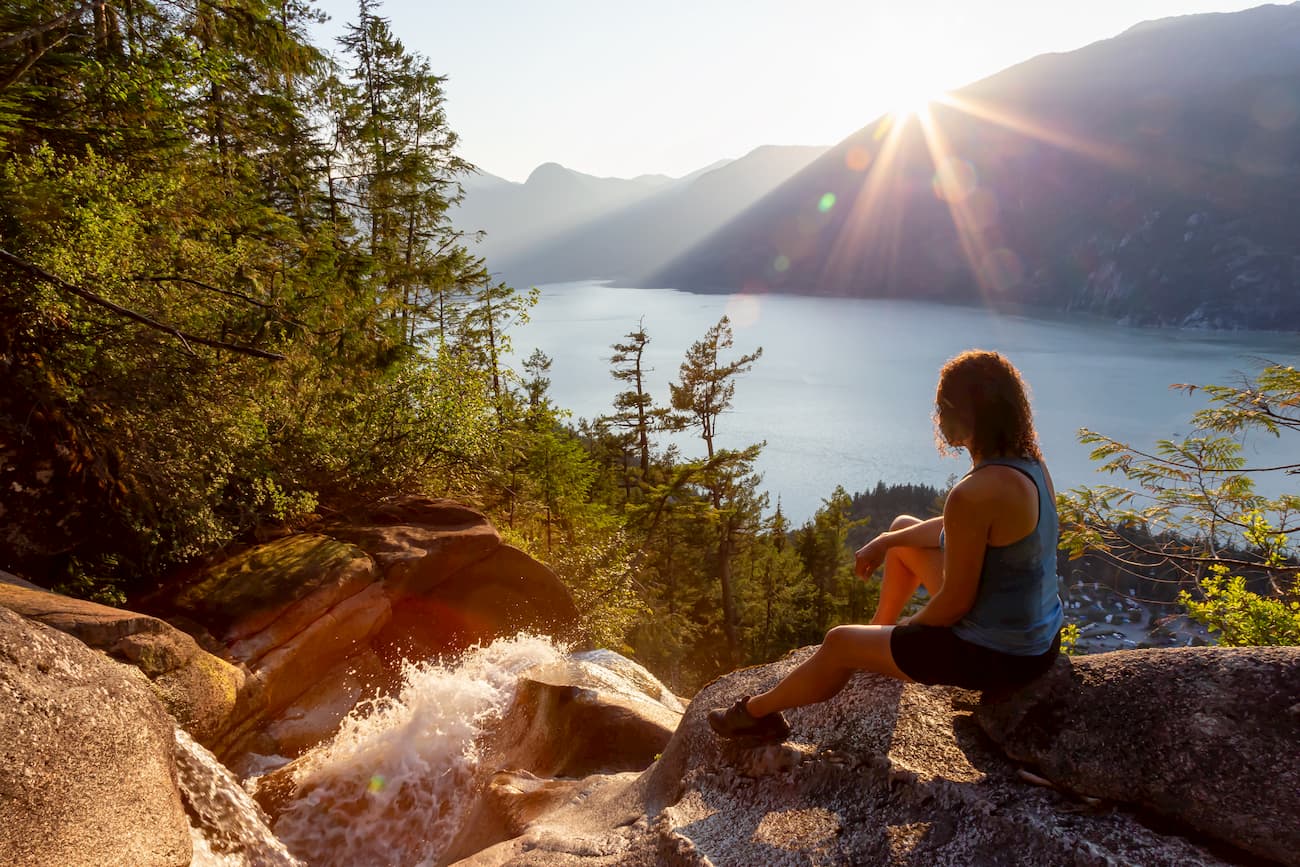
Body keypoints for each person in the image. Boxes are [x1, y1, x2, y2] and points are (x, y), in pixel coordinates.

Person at [708, 349, 1065, 742]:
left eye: (943, 406)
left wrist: (910, 631)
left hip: (999, 656)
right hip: (1037, 640)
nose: (938, 417)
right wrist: (886, 540)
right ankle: (878, 634)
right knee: (901, 530)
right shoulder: (1030, 465)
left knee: (839, 642)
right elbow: (952, 531)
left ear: (972, 414)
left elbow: (956, 604)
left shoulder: (975, 492)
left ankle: (754, 714)